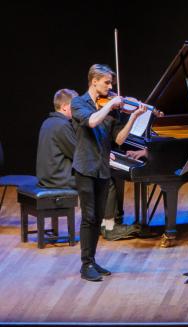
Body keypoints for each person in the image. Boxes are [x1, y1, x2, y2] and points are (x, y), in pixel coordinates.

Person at [71, 64, 147, 281]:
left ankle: (93, 260)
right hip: (85, 168)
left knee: (98, 218)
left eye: (111, 82)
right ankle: (86, 264)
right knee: (89, 217)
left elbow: (119, 140)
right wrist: (111, 104)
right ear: (94, 81)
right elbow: (92, 121)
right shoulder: (79, 103)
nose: (110, 86)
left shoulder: (111, 109)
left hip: (103, 168)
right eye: (107, 82)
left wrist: (132, 117)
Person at [36, 89, 78, 190]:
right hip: (59, 180)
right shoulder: (62, 125)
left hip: (46, 178)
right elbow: (77, 154)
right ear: (64, 107)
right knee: (102, 180)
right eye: (75, 106)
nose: (77, 109)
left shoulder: (48, 122)